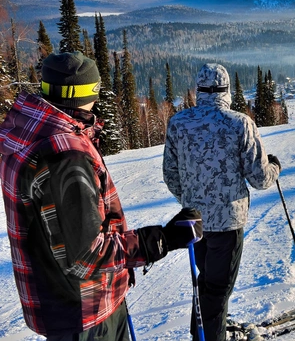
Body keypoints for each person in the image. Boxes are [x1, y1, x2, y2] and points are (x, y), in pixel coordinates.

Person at [0, 51, 203, 341]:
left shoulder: (31, 131)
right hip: (84, 311)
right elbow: (85, 255)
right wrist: (163, 239)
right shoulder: (64, 156)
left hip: (71, 303)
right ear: (87, 93)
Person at [163, 63, 280, 341]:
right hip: (228, 223)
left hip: (194, 223)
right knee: (216, 289)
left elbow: (170, 174)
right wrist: (275, 167)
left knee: (206, 284)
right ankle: (210, 335)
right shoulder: (240, 124)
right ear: (226, 90)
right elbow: (260, 178)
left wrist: (191, 199)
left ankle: (204, 332)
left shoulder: (179, 123)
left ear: (198, 89)